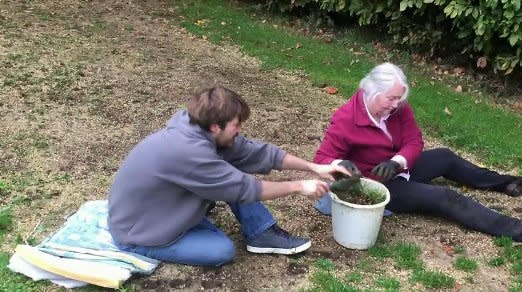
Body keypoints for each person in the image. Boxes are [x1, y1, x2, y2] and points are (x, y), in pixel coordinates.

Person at [313, 62, 522, 243]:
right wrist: (341, 163)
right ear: (371, 93)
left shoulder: (398, 109)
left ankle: (505, 183)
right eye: (391, 99)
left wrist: (397, 162)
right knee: (444, 197)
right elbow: (322, 158)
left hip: (398, 168)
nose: (396, 104)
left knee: (445, 157)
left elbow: (414, 141)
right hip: (378, 184)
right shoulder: (346, 118)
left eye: (399, 98)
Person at [108, 86, 349, 266]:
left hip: (157, 208)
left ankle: (261, 234)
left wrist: (315, 167)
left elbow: (257, 153)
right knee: (221, 250)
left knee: (230, 167)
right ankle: (146, 245)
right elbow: (248, 190)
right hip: (138, 231)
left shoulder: (198, 126)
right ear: (216, 126)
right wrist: (299, 186)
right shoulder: (190, 153)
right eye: (237, 124)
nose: (240, 130)